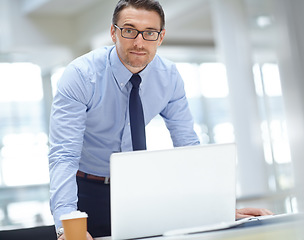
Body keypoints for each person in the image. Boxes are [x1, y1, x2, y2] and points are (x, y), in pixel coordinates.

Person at [48, 0, 273, 239]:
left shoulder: (169, 77)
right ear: (113, 32)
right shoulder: (81, 76)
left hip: (142, 188)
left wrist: (220, 208)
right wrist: (66, 226)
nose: (139, 42)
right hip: (87, 190)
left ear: (161, 36)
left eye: (149, 33)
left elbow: (188, 146)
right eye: (129, 30)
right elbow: (64, 155)